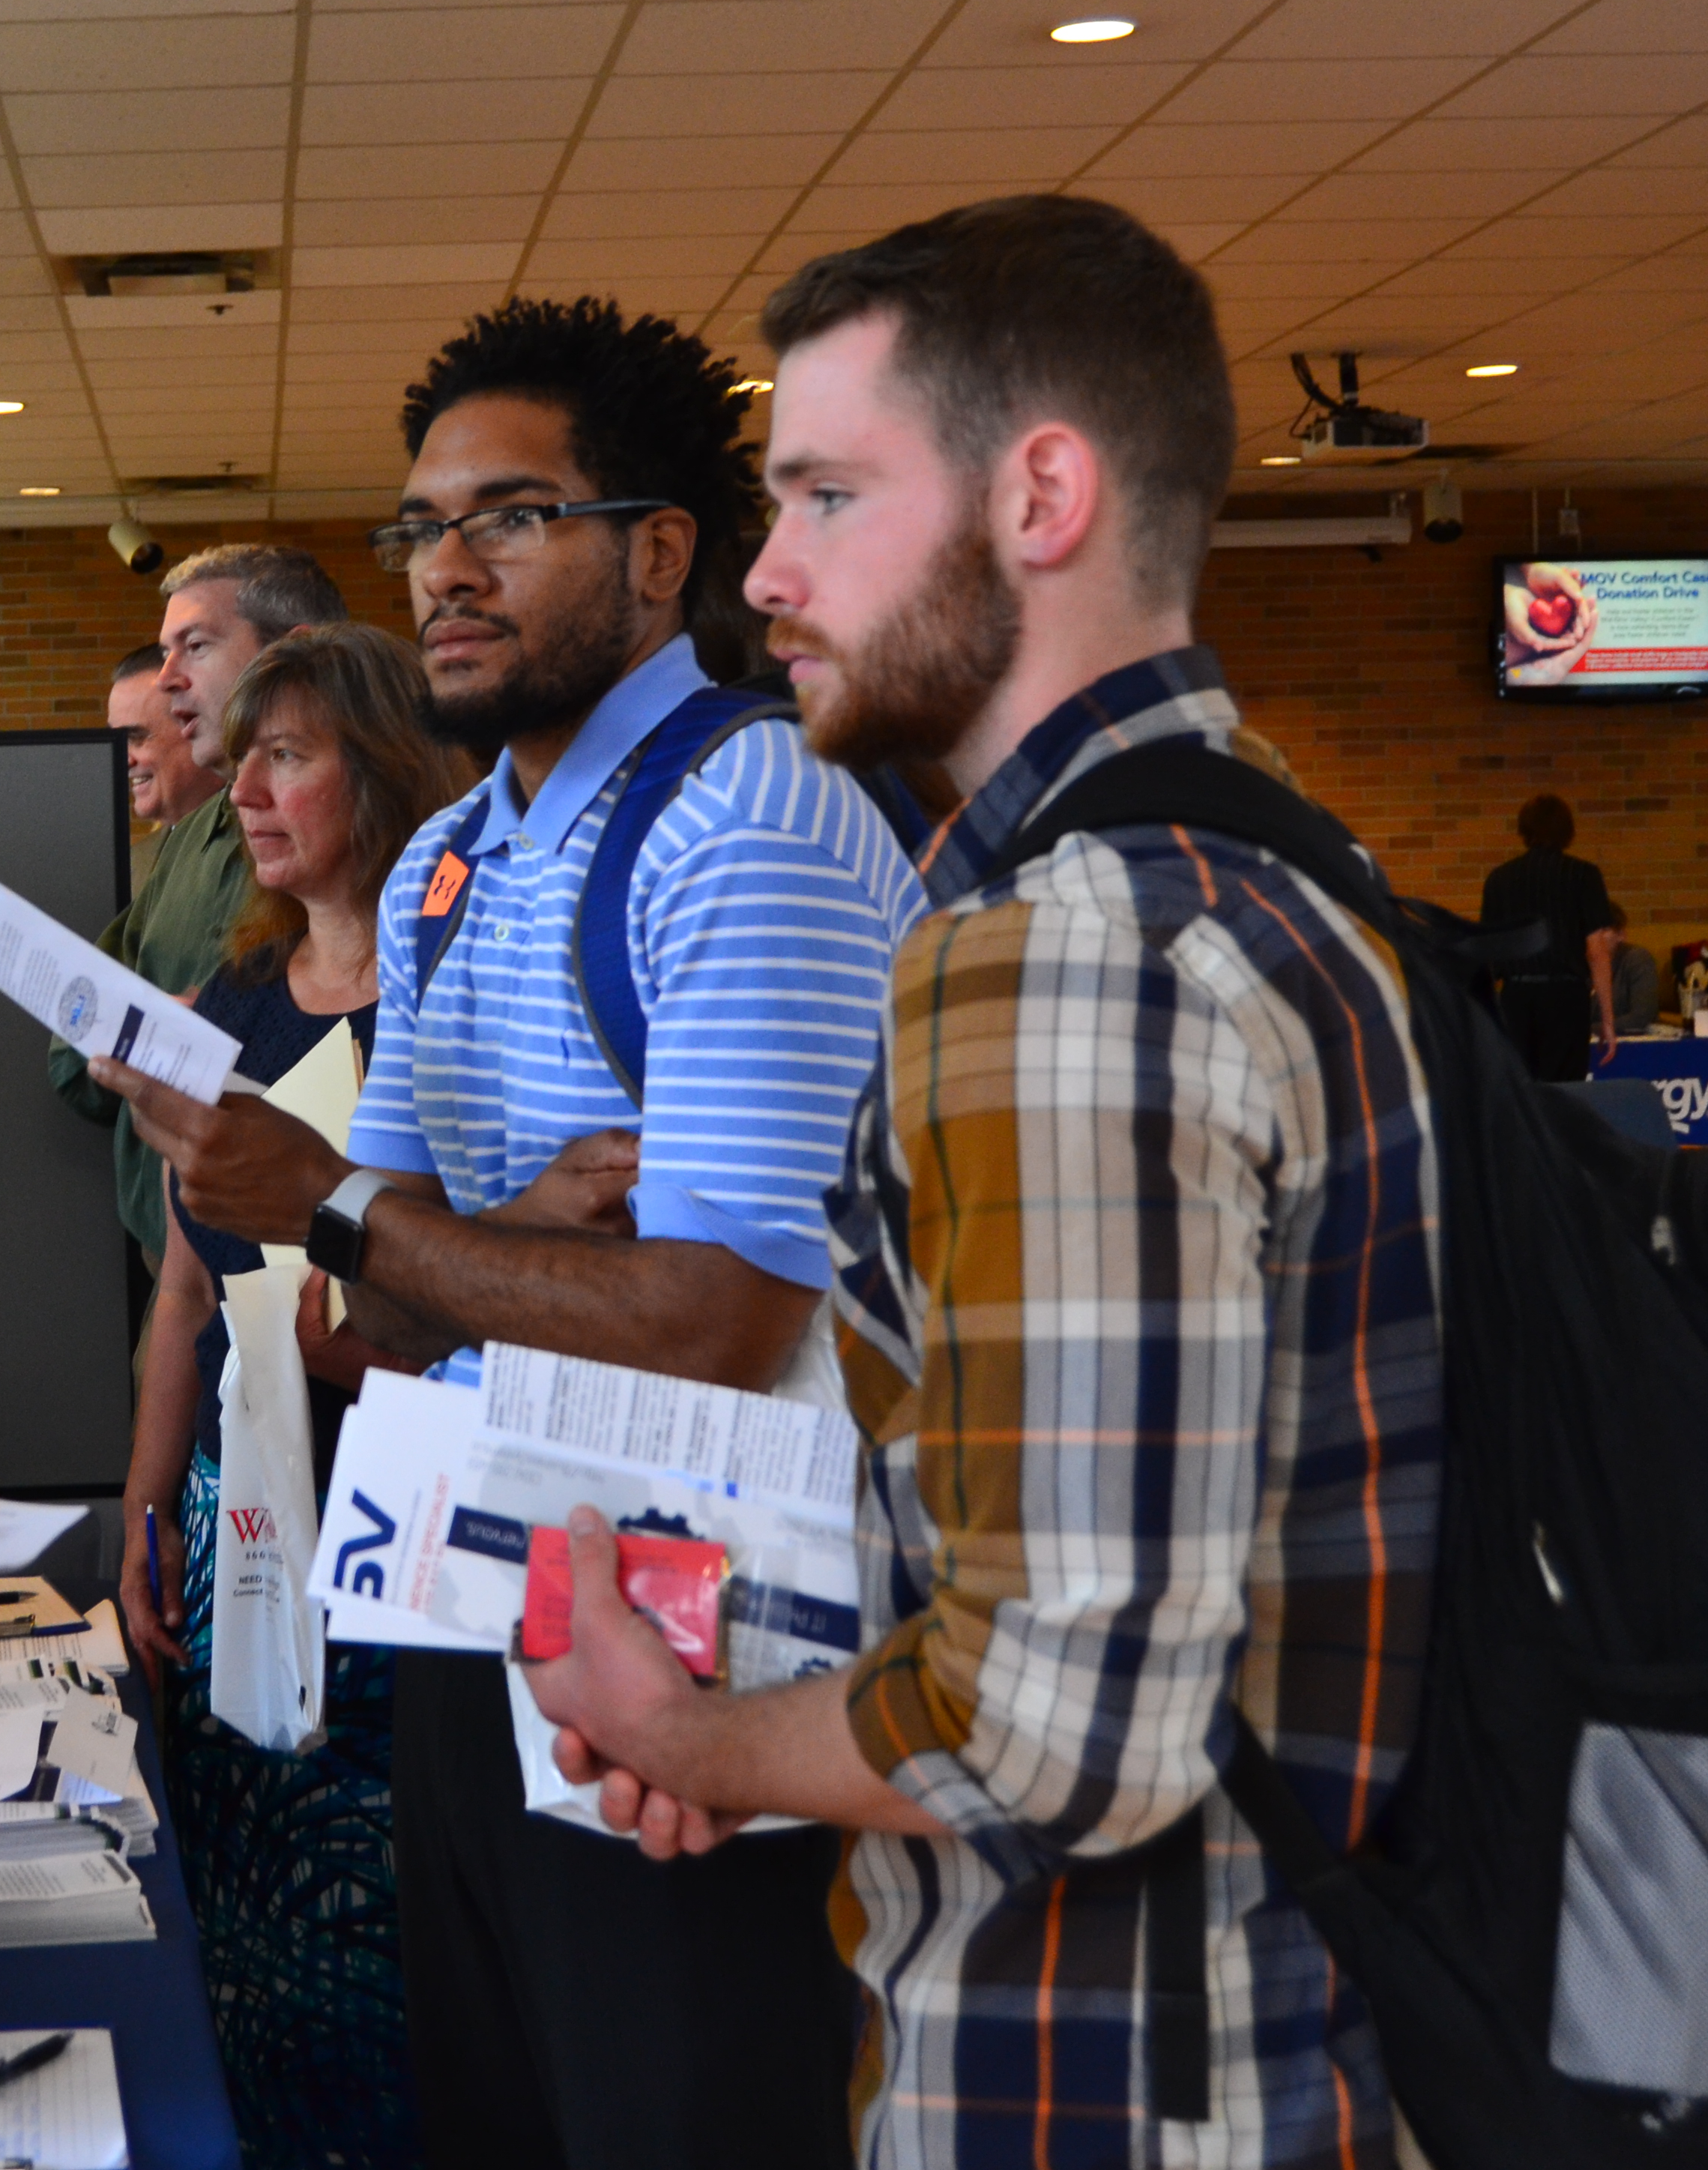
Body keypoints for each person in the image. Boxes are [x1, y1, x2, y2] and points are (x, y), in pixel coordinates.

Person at [524, 195, 1445, 2169]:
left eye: (828, 497)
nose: (763, 575)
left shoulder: (1067, 954)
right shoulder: (1287, 879)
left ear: (1040, 496)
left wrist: (686, 1734)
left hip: (1103, 2081)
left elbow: (1057, 1725)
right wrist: (792, 1752)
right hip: (1317, 2039)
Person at [99, 298, 923, 2170]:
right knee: (495, 2112)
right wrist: (407, 1230)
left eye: (509, 516)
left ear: (654, 550)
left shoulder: (753, 808)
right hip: (478, 1600)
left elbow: (708, 1317)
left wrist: (356, 1210)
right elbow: (367, 1316)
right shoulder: (460, 851)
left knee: (678, 2109)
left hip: (714, 1638)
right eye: (421, 527)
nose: (444, 570)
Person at [108, 622, 467, 2170]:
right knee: (245, 1936)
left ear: (381, 774)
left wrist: (365, 1351)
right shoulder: (237, 993)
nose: (240, 787)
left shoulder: (457, 998)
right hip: (236, 1519)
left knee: (384, 1951)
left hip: (406, 1547)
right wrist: (140, 1507)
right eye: (239, 754)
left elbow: (512, 1304)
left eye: (287, 754)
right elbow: (181, 1291)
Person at [48, 545, 348, 1271]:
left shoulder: (368, 842)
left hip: (306, 1263)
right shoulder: (189, 841)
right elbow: (76, 1027)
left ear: (294, 652)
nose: (169, 678)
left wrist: (187, 1026)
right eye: (163, 652)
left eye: (197, 646)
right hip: (179, 1245)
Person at [1481, 792, 1620, 1079]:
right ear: (1567, 831)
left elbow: (1488, 954)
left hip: (1516, 998)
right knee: (1565, 1092)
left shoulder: (1499, 879)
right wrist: (1607, 1018)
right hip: (1565, 998)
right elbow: (1596, 950)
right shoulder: (1584, 875)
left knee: (1521, 1093)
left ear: (1523, 830)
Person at [106, 642, 226, 890]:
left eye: (136, 737)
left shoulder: (261, 855)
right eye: (117, 741)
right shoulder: (133, 865)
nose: (122, 759)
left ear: (195, 727)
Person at [1604, 898, 1662, 1035]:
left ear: (1621, 935)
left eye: (1604, 929)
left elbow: (1642, 1016)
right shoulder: (1577, 965)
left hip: (1634, 1043)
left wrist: (1584, 1030)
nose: (1596, 937)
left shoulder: (1637, 959)